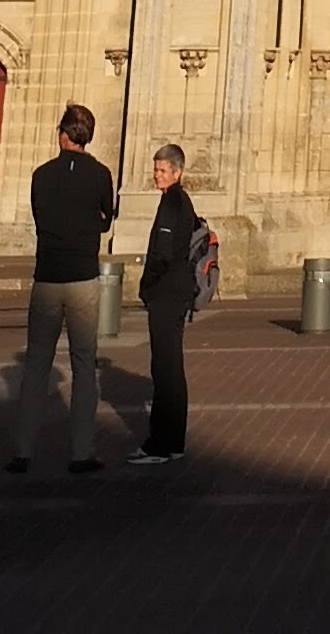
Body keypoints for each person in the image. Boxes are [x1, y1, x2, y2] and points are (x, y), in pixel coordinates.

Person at [8, 102, 118, 475]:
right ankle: (81, 452)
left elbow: (39, 216)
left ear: (62, 134)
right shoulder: (100, 174)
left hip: (48, 277)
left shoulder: (41, 175)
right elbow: (106, 219)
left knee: (36, 364)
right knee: (84, 364)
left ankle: (23, 451)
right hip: (82, 276)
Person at [127, 143, 212, 466]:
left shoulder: (171, 202)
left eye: (163, 170)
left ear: (178, 172)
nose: (157, 175)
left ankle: (160, 444)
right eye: (156, 169)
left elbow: (162, 253)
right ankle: (175, 440)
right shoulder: (182, 201)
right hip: (178, 292)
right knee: (172, 367)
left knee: (163, 369)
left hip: (166, 293)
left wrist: (146, 285)